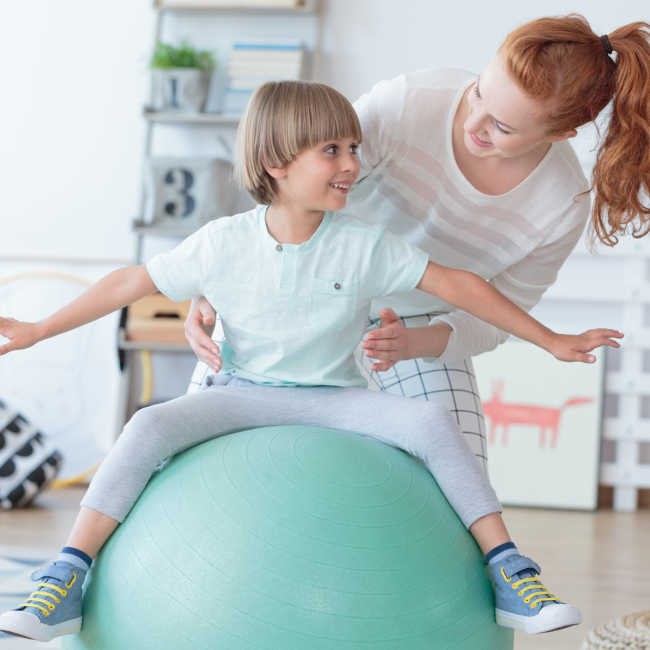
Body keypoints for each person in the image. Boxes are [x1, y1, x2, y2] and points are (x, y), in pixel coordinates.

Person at [0, 81, 621, 642]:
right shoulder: (223, 243)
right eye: (333, 150)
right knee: (147, 427)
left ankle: (510, 571)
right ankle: (67, 575)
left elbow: (460, 287)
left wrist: (551, 340)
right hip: (240, 392)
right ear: (276, 163)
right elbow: (128, 283)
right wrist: (37, 329)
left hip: (337, 398)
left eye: (353, 146)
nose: (354, 164)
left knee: (432, 424)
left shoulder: (364, 245)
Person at [185, 15, 650, 476]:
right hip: (294, 286)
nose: (475, 122)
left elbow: (489, 315)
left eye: (503, 128)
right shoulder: (411, 103)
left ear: (560, 135)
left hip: (412, 325)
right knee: (196, 442)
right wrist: (221, 285)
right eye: (481, 93)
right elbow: (293, 195)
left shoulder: (560, 203)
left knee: (458, 472)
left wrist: (415, 343)